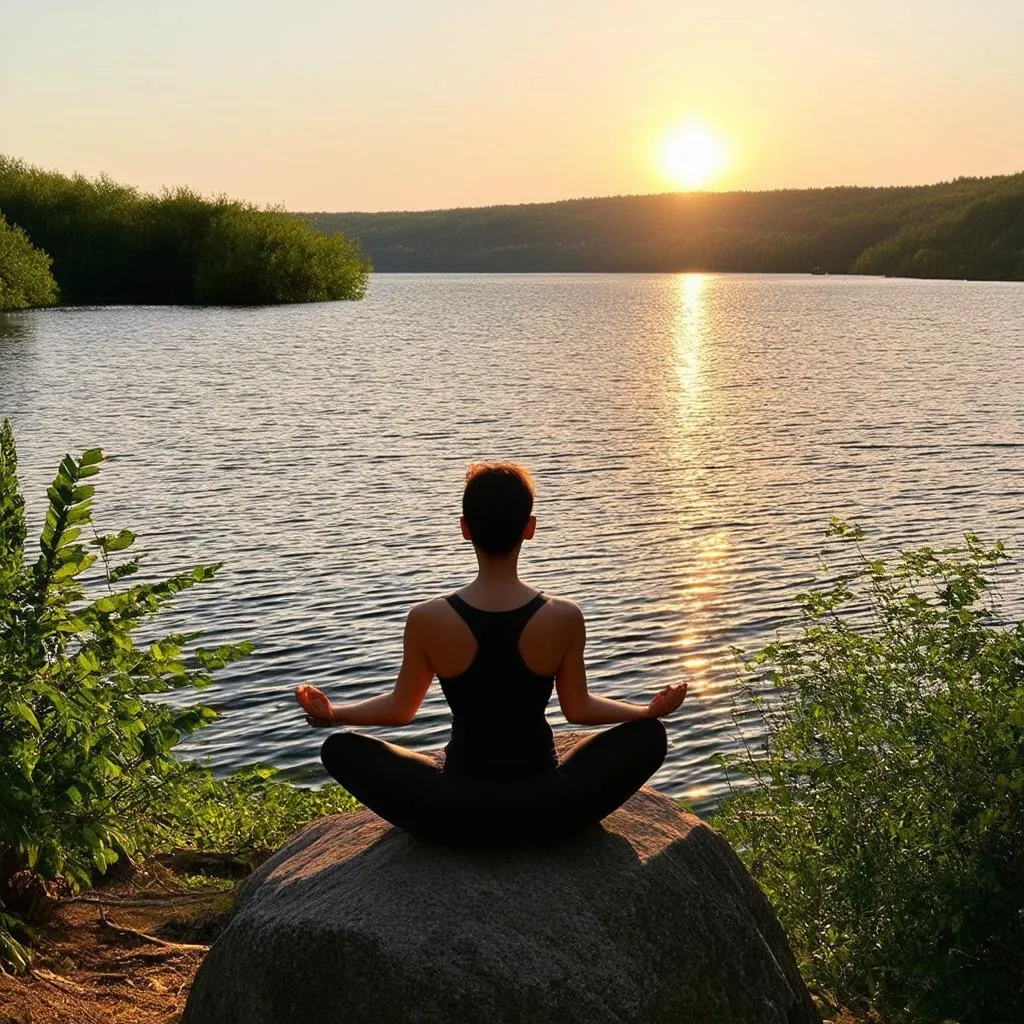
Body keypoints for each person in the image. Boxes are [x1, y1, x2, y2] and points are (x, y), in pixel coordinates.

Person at [294, 461, 687, 846]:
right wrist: (645, 713)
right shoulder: (564, 616)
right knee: (649, 737)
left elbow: (401, 709)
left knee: (339, 749)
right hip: (549, 809)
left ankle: (457, 828)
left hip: (456, 812)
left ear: (465, 529)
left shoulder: (427, 618)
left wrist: (335, 715)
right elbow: (578, 708)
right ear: (529, 528)